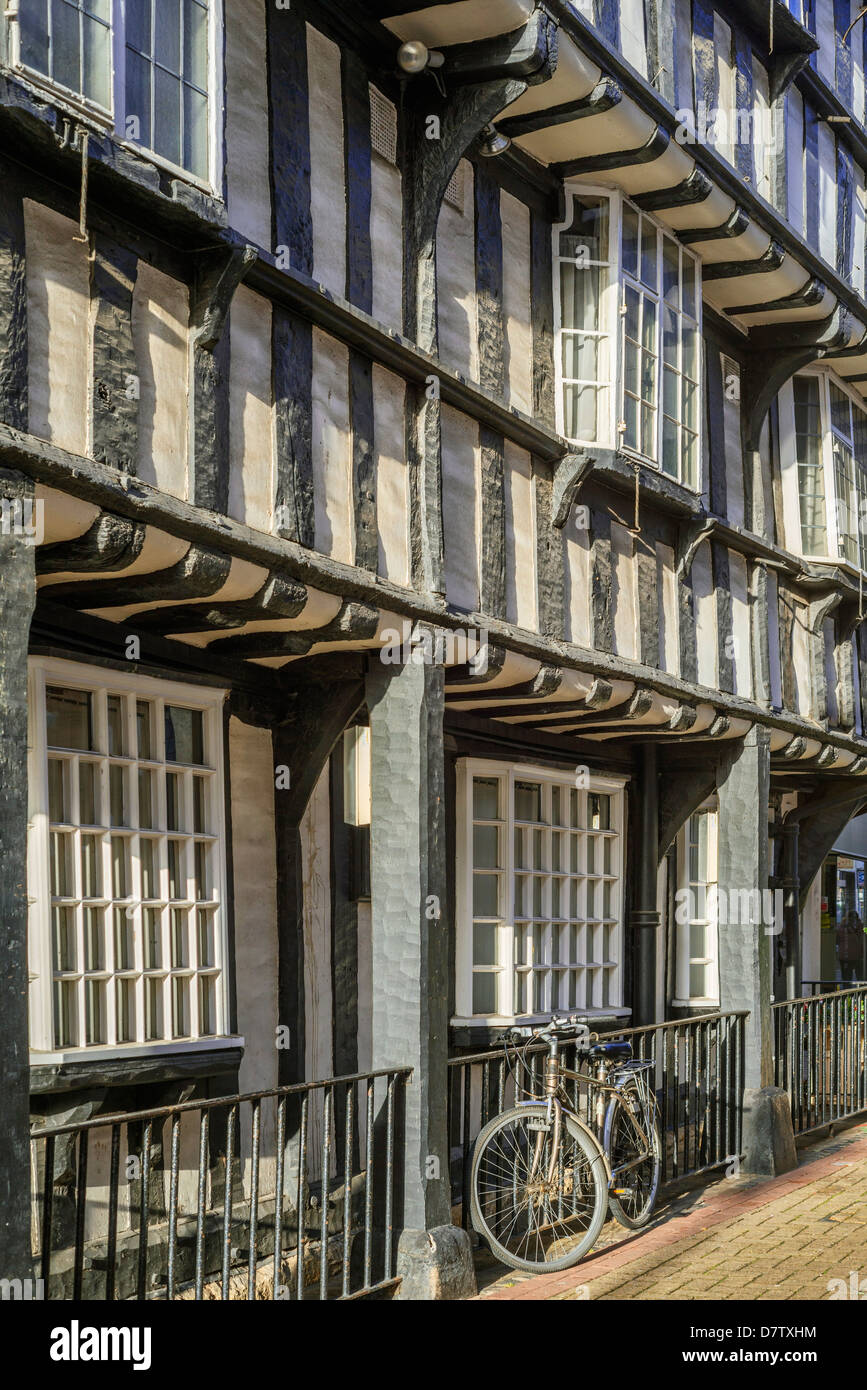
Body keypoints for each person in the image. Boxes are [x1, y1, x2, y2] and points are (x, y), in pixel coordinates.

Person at [836, 911, 864, 983]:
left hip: (845, 956)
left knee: (846, 978)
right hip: (858, 956)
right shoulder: (861, 926)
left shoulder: (841, 927)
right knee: (860, 977)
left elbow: (837, 940)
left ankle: (847, 992)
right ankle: (860, 991)